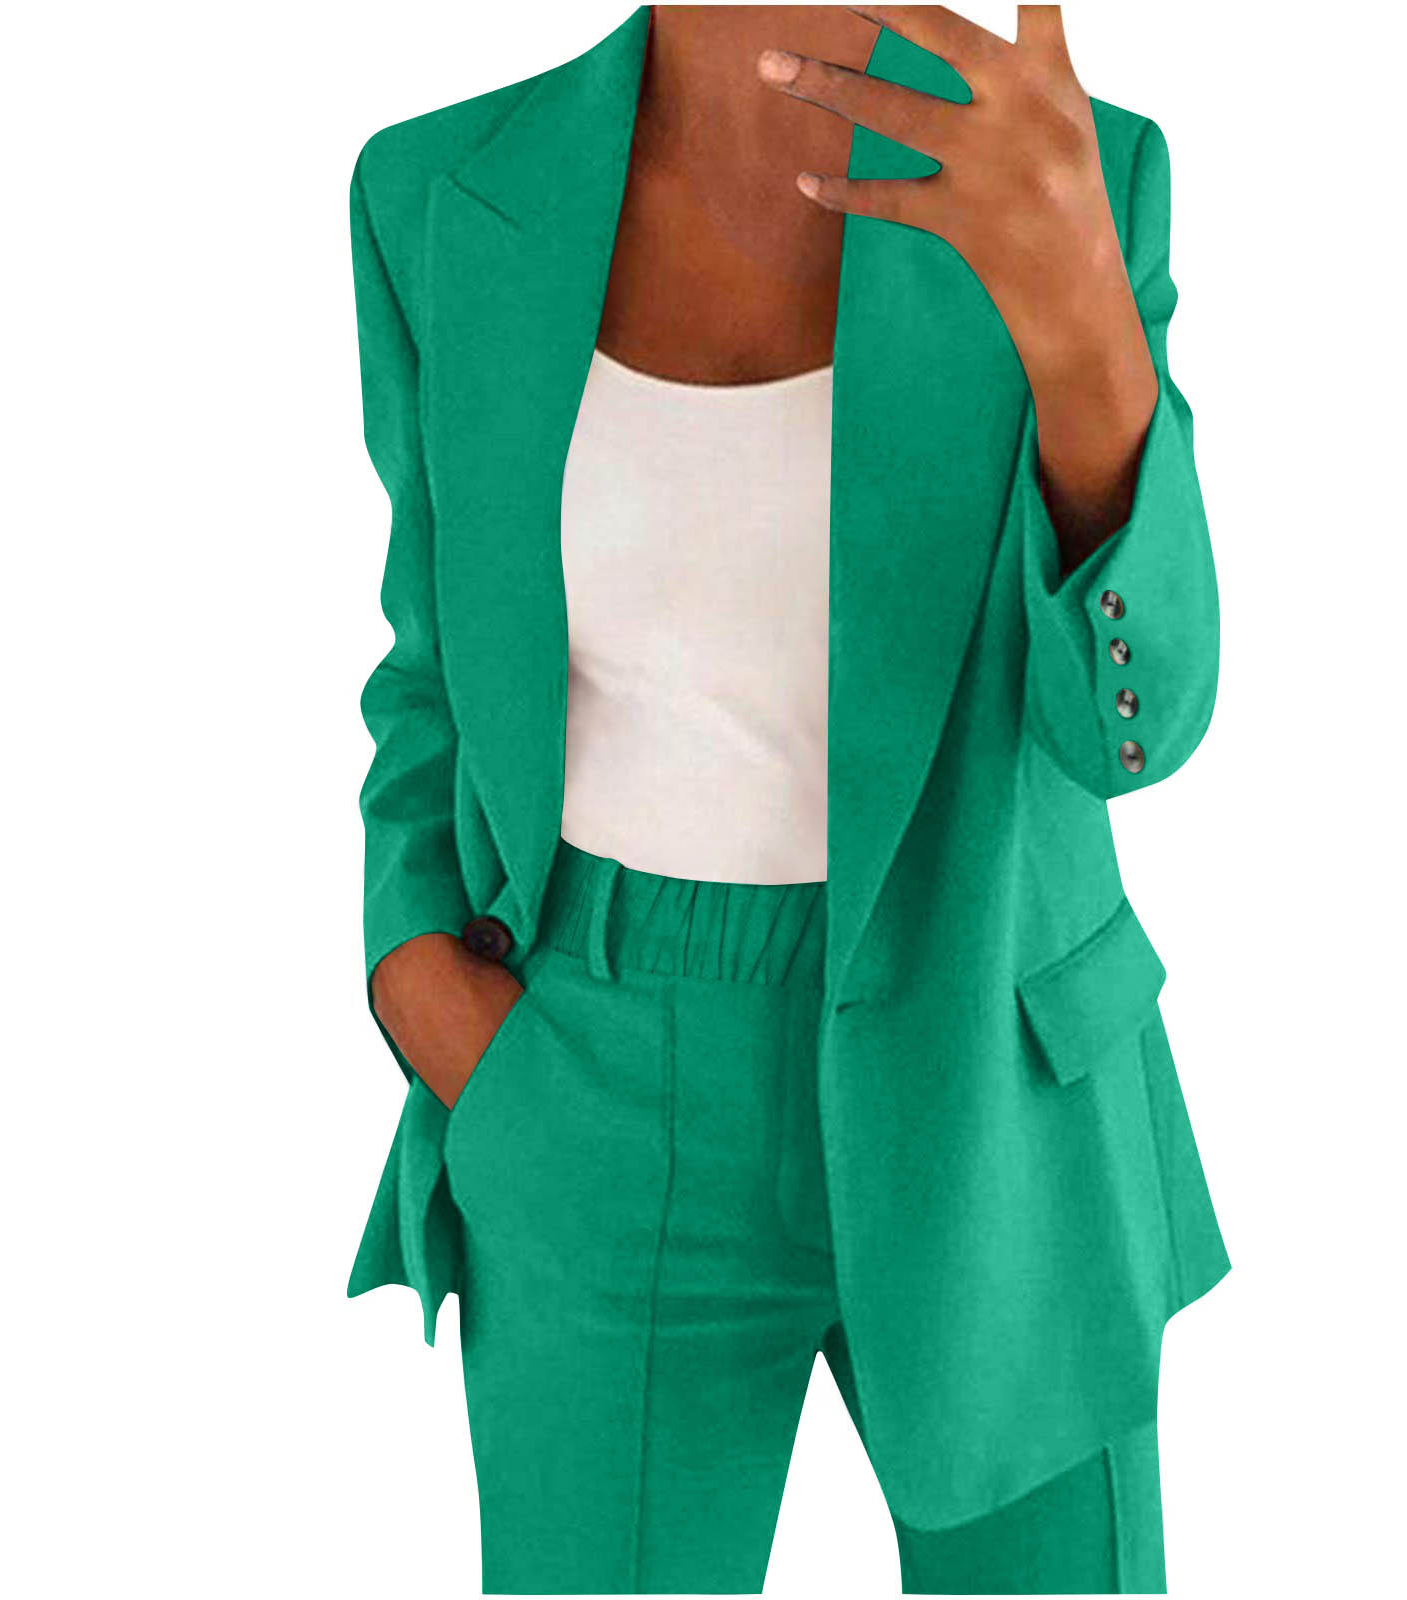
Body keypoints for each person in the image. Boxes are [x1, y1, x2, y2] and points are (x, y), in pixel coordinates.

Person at [346, 5, 1230, 1591]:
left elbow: (1136, 731)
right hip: (591, 1079)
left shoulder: (1071, 176)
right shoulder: (438, 191)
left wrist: (1084, 340)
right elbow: (434, 668)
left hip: (995, 1077)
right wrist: (417, 969)